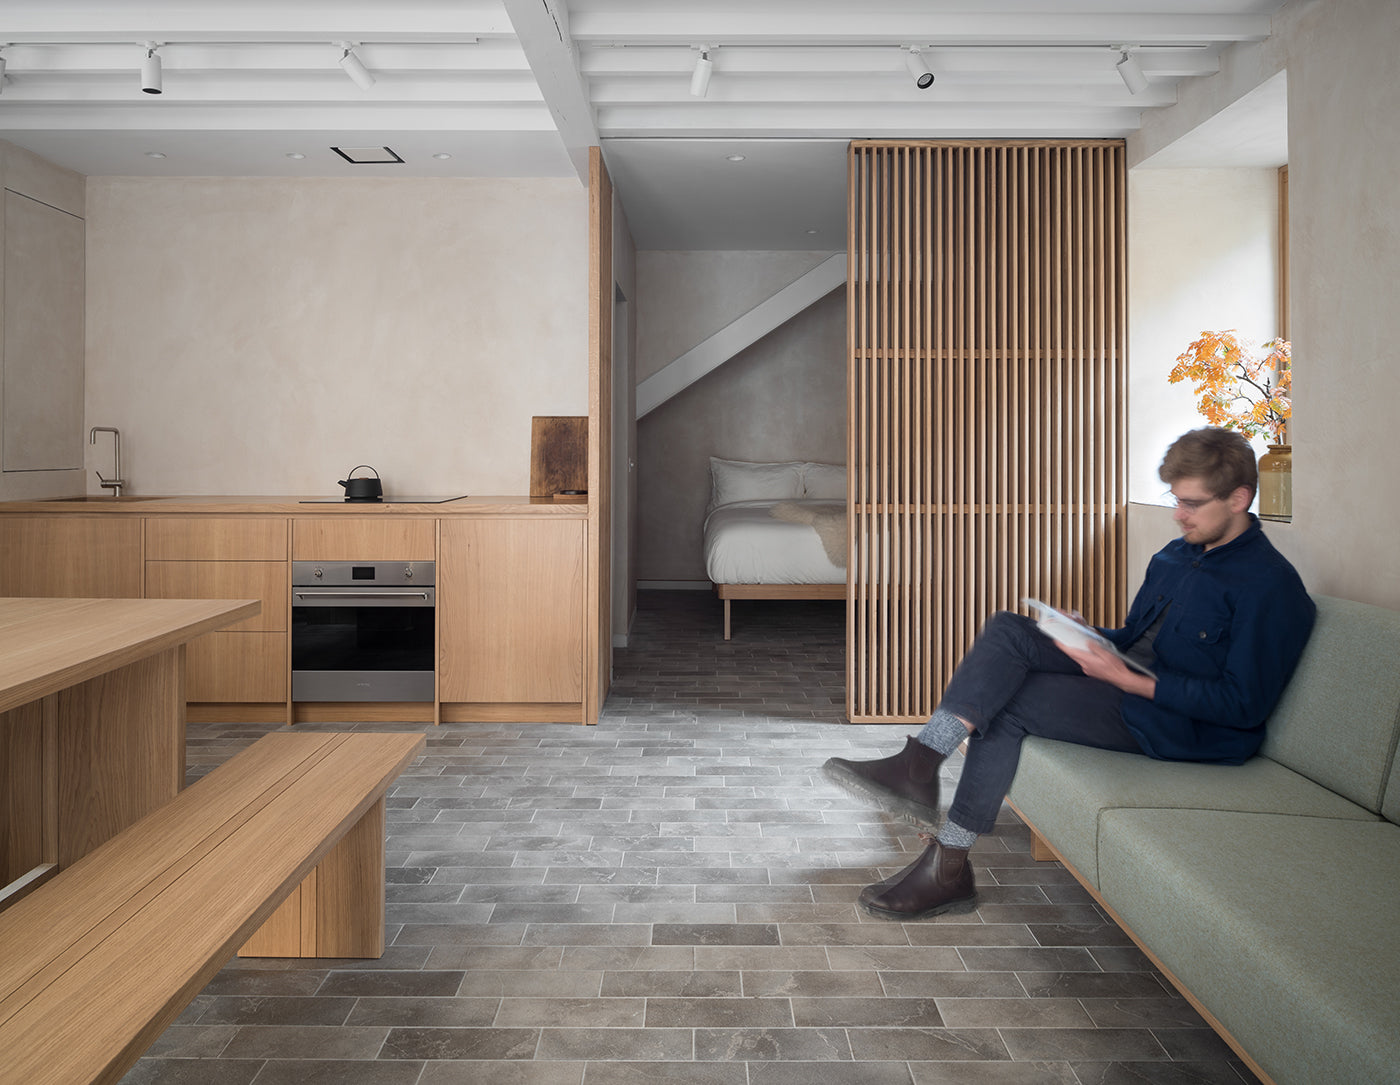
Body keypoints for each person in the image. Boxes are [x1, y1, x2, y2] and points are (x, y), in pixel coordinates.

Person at [825, 427, 1315, 920]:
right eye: (1174, 499)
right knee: (1009, 629)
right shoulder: (1174, 556)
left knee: (1011, 702)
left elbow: (1242, 707)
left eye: (1191, 503)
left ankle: (948, 863)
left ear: (1239, 498)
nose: (1177, 514)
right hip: (1128, 678)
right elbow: (1137, 639)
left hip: (1179, 724)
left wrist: (1128, 681)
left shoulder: (1270, 587)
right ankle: (922, 763)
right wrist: (1093, 638)